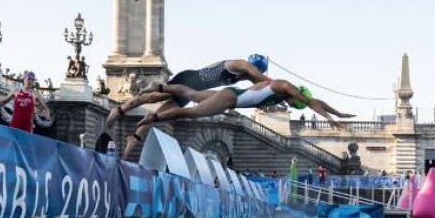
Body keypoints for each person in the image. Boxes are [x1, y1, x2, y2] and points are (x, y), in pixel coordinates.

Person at [107, 54, 272, 159]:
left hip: (192, 90)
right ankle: (119, 109)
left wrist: (280, 96)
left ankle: (133, 138)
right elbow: (263, 81)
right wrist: (278, 87)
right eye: (256, 71)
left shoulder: (243, 76)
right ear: (256, 67)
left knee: (158, 115)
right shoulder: (241, 64)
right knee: (152, 97)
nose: (253, 75)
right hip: (188, 79)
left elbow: (258, 87)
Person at [132, 79, 355, 136]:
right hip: (230, 100)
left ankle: (157, 86)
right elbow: (311, 102)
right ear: (295, 95)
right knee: (190, 111)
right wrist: (327, 118)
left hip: (232, 94)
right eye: (292, 103)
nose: (289, 104)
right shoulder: (284, 86)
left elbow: (315, 101)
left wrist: (337, 113)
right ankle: (153, 118)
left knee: (191, 94)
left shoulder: (282, 91)